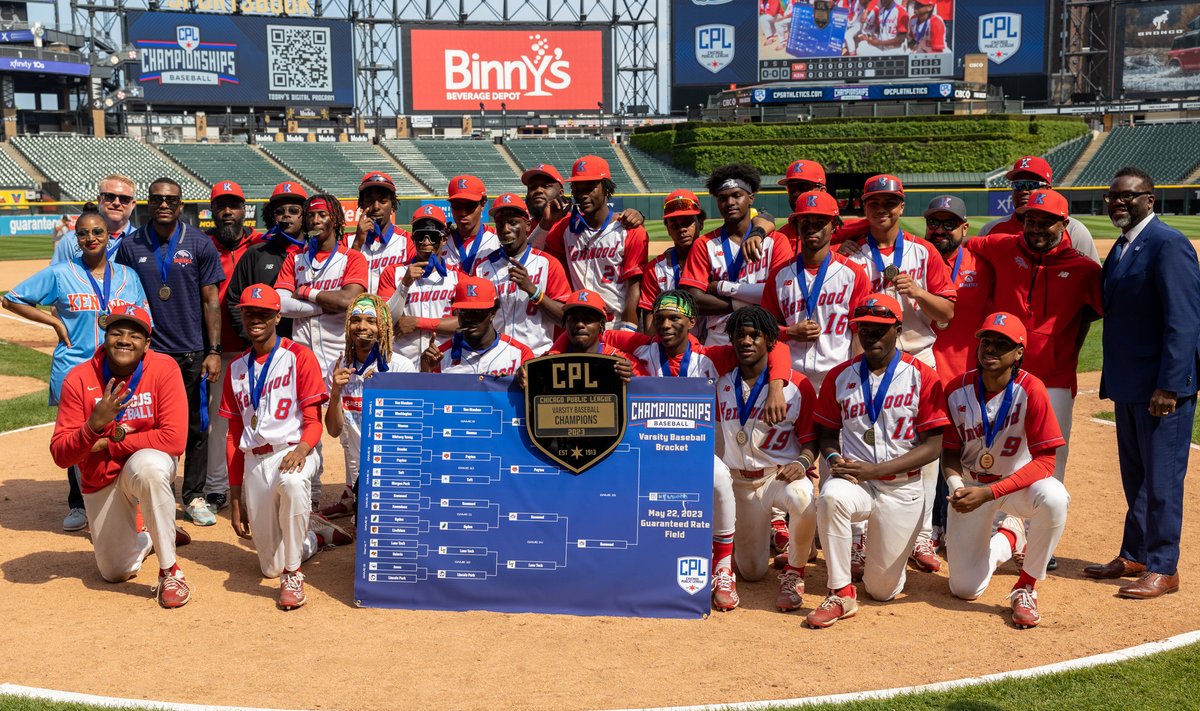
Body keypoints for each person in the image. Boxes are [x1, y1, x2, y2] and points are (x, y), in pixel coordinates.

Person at [1085, 166, 1200, 599]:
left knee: (1162, 480)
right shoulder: (1122, 247)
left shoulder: (1167, 245)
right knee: (1136, 476)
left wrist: (1170, 385)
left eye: (1128, 196)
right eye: (1113, 196)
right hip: (1129, 384)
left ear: (1150, 200)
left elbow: (1184, 321)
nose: (1118, 202)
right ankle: (1134, 552)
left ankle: (1164, 566)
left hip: (1161, 389)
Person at [807, 293, 948, 629]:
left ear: (898, 330)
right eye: (864, 329)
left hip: (902, 487)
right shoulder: (840, 376)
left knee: (881, 591)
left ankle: (879, 557)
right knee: (830, 495)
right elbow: (826, 433)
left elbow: (933, 447)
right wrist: (834, 456)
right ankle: (841, 591)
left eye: (879, 329)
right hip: (857, 482)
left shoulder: (921, 377)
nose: (870, 335)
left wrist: (876, 470)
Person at [5, 210, 149, 531]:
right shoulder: (60, 273)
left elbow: (142, 316)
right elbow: (12, 299)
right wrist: (54, 321)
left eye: (97, 232)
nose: (91, 239)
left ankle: (125, 500)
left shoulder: (127, 276)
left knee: (120, 434)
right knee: (78, 438)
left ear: (108, 235)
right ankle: (78, 503)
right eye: (83, 234)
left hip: (119, 369)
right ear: (75, 239)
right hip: (75, 368)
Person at [842, 174, 956, 573]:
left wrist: (919, 292)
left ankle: (921, 536)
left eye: (890, 202)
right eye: (874, 203)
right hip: (864, 357)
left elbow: (949, 313)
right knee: (859, 445)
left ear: (902, 206)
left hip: (916, 356)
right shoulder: (850, 251)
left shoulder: (924, 252)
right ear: (864, 206)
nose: (882, 209)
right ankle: (858, 538)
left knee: (922, 455)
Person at [49, 305, 192, 607]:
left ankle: (171, 571)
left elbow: (175, 439)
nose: (125, 340)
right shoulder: (79, 378)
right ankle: (154, 534)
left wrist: (108, 443)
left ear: (147, 343)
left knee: (150, 467)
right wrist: (92, 426)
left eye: (134, 335)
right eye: (117, 332)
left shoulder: (164, 368)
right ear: (105, 338)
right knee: (115, 571)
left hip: (141, 463)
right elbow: (61, 455)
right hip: (100, 475)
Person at [965, 189, 1101, 490]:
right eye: (1031, 220)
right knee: (998, 453)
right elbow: (960, 244)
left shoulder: (1084, 269)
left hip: (1055, 378)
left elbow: (1110, 311)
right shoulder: (1002, 246)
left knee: (1051, 457)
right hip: (1002, 376)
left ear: (1064, 225)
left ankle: (1039, 526)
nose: (1037, 228)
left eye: (1046, 222)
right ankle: (1002, 525)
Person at [942, 313, 1069, 628]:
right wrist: (956, 484)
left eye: (1003, 344)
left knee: (1055, 497)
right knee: (964, 589)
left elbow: (1046, 461)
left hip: (1015, 488)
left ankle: (1025, 586)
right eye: (987, 341)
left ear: (1019, 353)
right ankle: (1012, 536)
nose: (992, 349)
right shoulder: (956, 389)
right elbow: (949, 452)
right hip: (971, 486)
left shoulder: (1032, 390)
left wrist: (991, 493)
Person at [220, 285, 341, 610]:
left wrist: (303, 451)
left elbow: (314, 423)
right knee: (267, 567)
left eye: (263, 313)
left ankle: (294, 575)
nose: (255, 319)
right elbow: (233, 434)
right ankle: (314, 538)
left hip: (294, 449)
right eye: (249, 313)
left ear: (277, 316)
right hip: (255, 461)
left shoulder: (299, 356)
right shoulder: (236, 369)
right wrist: (234, 495)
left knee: (292, 483)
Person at [116, 177, 225, 528]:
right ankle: (144, 496)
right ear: (148, 203)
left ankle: (193, 496)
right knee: (143, 425)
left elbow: (211, 300)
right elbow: (124, 298)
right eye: (157, 199)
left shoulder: (198, 242)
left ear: (181, 205)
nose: (164, 204)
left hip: (192, 352)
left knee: (196, 428)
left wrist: (213, 350)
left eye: (171, 200)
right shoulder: (131, 245)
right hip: (149, 356)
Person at [715, 306, 818, 613]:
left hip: (777, 477)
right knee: (752, 572)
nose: (746, 341)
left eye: (754, 335)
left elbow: (812, 442)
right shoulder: (720, 383)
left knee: (802, 497)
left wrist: (801, 463)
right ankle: (762, 544)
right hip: (739, 484)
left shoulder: (796, 386)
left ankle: (795, 572)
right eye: (739, 335)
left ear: (770, 341)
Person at [925, 195, 994, 549]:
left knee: (961, 456)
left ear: (964, 228)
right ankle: (927, 531)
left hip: (965, 375)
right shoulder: (913, 259)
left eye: (949, 224)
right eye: (934, 223)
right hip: (921, 374)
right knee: (924, 455)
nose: (940, 230)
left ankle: (956, 526)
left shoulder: (982, 263)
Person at [321, 294, 417, 519]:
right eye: (355, 320)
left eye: (370, 321)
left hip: (394, 469)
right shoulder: (339, 367)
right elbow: (334, 431)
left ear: (382, 326)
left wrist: (382, 392)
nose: (362, 326)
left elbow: (408, 431)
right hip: (358, 472)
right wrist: (335, 392)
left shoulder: (400, 366)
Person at [681, 164, 793, 347]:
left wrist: (722, 287)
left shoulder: (777, 241)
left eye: (736, 195)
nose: (730, 202)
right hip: (719, 338)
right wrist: (745, 304)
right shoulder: (704, 244)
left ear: (750, 198)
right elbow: (694, 300)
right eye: (723, 198)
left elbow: (780, 294)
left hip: (763, 336)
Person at [203, 180, 261, 514]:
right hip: (219, 348)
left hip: (258, 348)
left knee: (260, 419)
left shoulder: (261, 242)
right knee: (218, 421)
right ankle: (216, 487)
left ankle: (256, 483)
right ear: (212, 211)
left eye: (234, 205)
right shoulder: (203, 244)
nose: (228, 212)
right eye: (221, 206)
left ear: (244, 209)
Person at [544, 156, 649, 330]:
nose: (583, 194)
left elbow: (634, 289)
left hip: (615, 323)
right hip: (579, 325)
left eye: (590, 187)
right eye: (577, 188)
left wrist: (627, 330)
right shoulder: (564, 228)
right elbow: (534, 257)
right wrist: (546, 224)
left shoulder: (629, 230)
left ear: (606, 188)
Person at [274, 193, 369, 380]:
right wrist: (323, 307)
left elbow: (349, 301)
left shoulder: (353, 258)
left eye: (322, 214)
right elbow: (281, 305)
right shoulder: (294, 259)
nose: (316, 220)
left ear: (335, 220)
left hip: (342, 356)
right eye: (310, 215)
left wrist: (304, 292)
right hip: (302, 359)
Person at [471, 193, 570, 356]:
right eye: (500, 224)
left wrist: (533, 291)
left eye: (512, 223)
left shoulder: (548, 264)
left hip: (538, 355)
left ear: (528, 226)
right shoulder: (483, 268)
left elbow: (565, 318)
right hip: (495, 358)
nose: (505, 229)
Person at [378, 205, 462, 367]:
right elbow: (383, 321)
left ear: (444, 239)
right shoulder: (393, 273)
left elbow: (463, 323)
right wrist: (404, 285)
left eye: (433, 236)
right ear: (412, 239)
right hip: (401, 363)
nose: (426, 242)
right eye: (420, 236)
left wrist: (417, 322)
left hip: (444, 363)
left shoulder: (457, 276)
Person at [226, 181, 309, 342]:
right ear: (272, 215)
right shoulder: (256, 253)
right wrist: (252, 339)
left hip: (310, 348)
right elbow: (234, 300)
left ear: (305, 215)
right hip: (267, 350)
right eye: (279, 211)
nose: (286, 215)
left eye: (294, 210)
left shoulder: (317, 253)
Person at [978, 156, 1100, 263]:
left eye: (1031, 185)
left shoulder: (1074, 230)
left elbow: (1092, 277)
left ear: (1048, 189)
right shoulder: (990, 230)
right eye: (1017, 185)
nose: (1023, 191)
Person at [421, 276, 534, 376]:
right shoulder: (439, 357)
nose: (470, 318)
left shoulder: (520, 354)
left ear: (493, 313)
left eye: (477, 312)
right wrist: (427, 372)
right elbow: (426, 397)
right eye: (464, 312)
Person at [639, 189, 705, 334]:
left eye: (687, 223)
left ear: (700, 223)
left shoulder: (715, 259)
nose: (682, 229)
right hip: (671, 346)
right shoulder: (655, 268)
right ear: (668, 229)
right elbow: (649, 314)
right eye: (675, 225)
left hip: (710, 343)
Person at [350, 171, 416, 293]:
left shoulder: (408, 241)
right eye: (370, 201)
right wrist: (357, 244)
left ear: (393, 205)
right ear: (361, 204)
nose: (376, 206)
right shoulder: (347, 241)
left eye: (383, 201)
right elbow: (339, 280)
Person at [51, 175, 139, 265]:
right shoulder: (71, 240)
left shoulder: (142, 241)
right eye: (109, 196)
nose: (116, 203)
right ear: (99, 200)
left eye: (124, 199)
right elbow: (55, 277)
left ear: (132, 204)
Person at [440, 175, 500, 274]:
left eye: (470, 206)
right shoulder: (440, 244)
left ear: (483, 205)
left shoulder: (498, 240)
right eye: (457, 206)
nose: (463, 212)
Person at [522, 163, 570, 251]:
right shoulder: (522, 228)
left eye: (546, 186)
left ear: (561, 193)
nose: (538, 190)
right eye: (532, 187)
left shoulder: (573, 223)